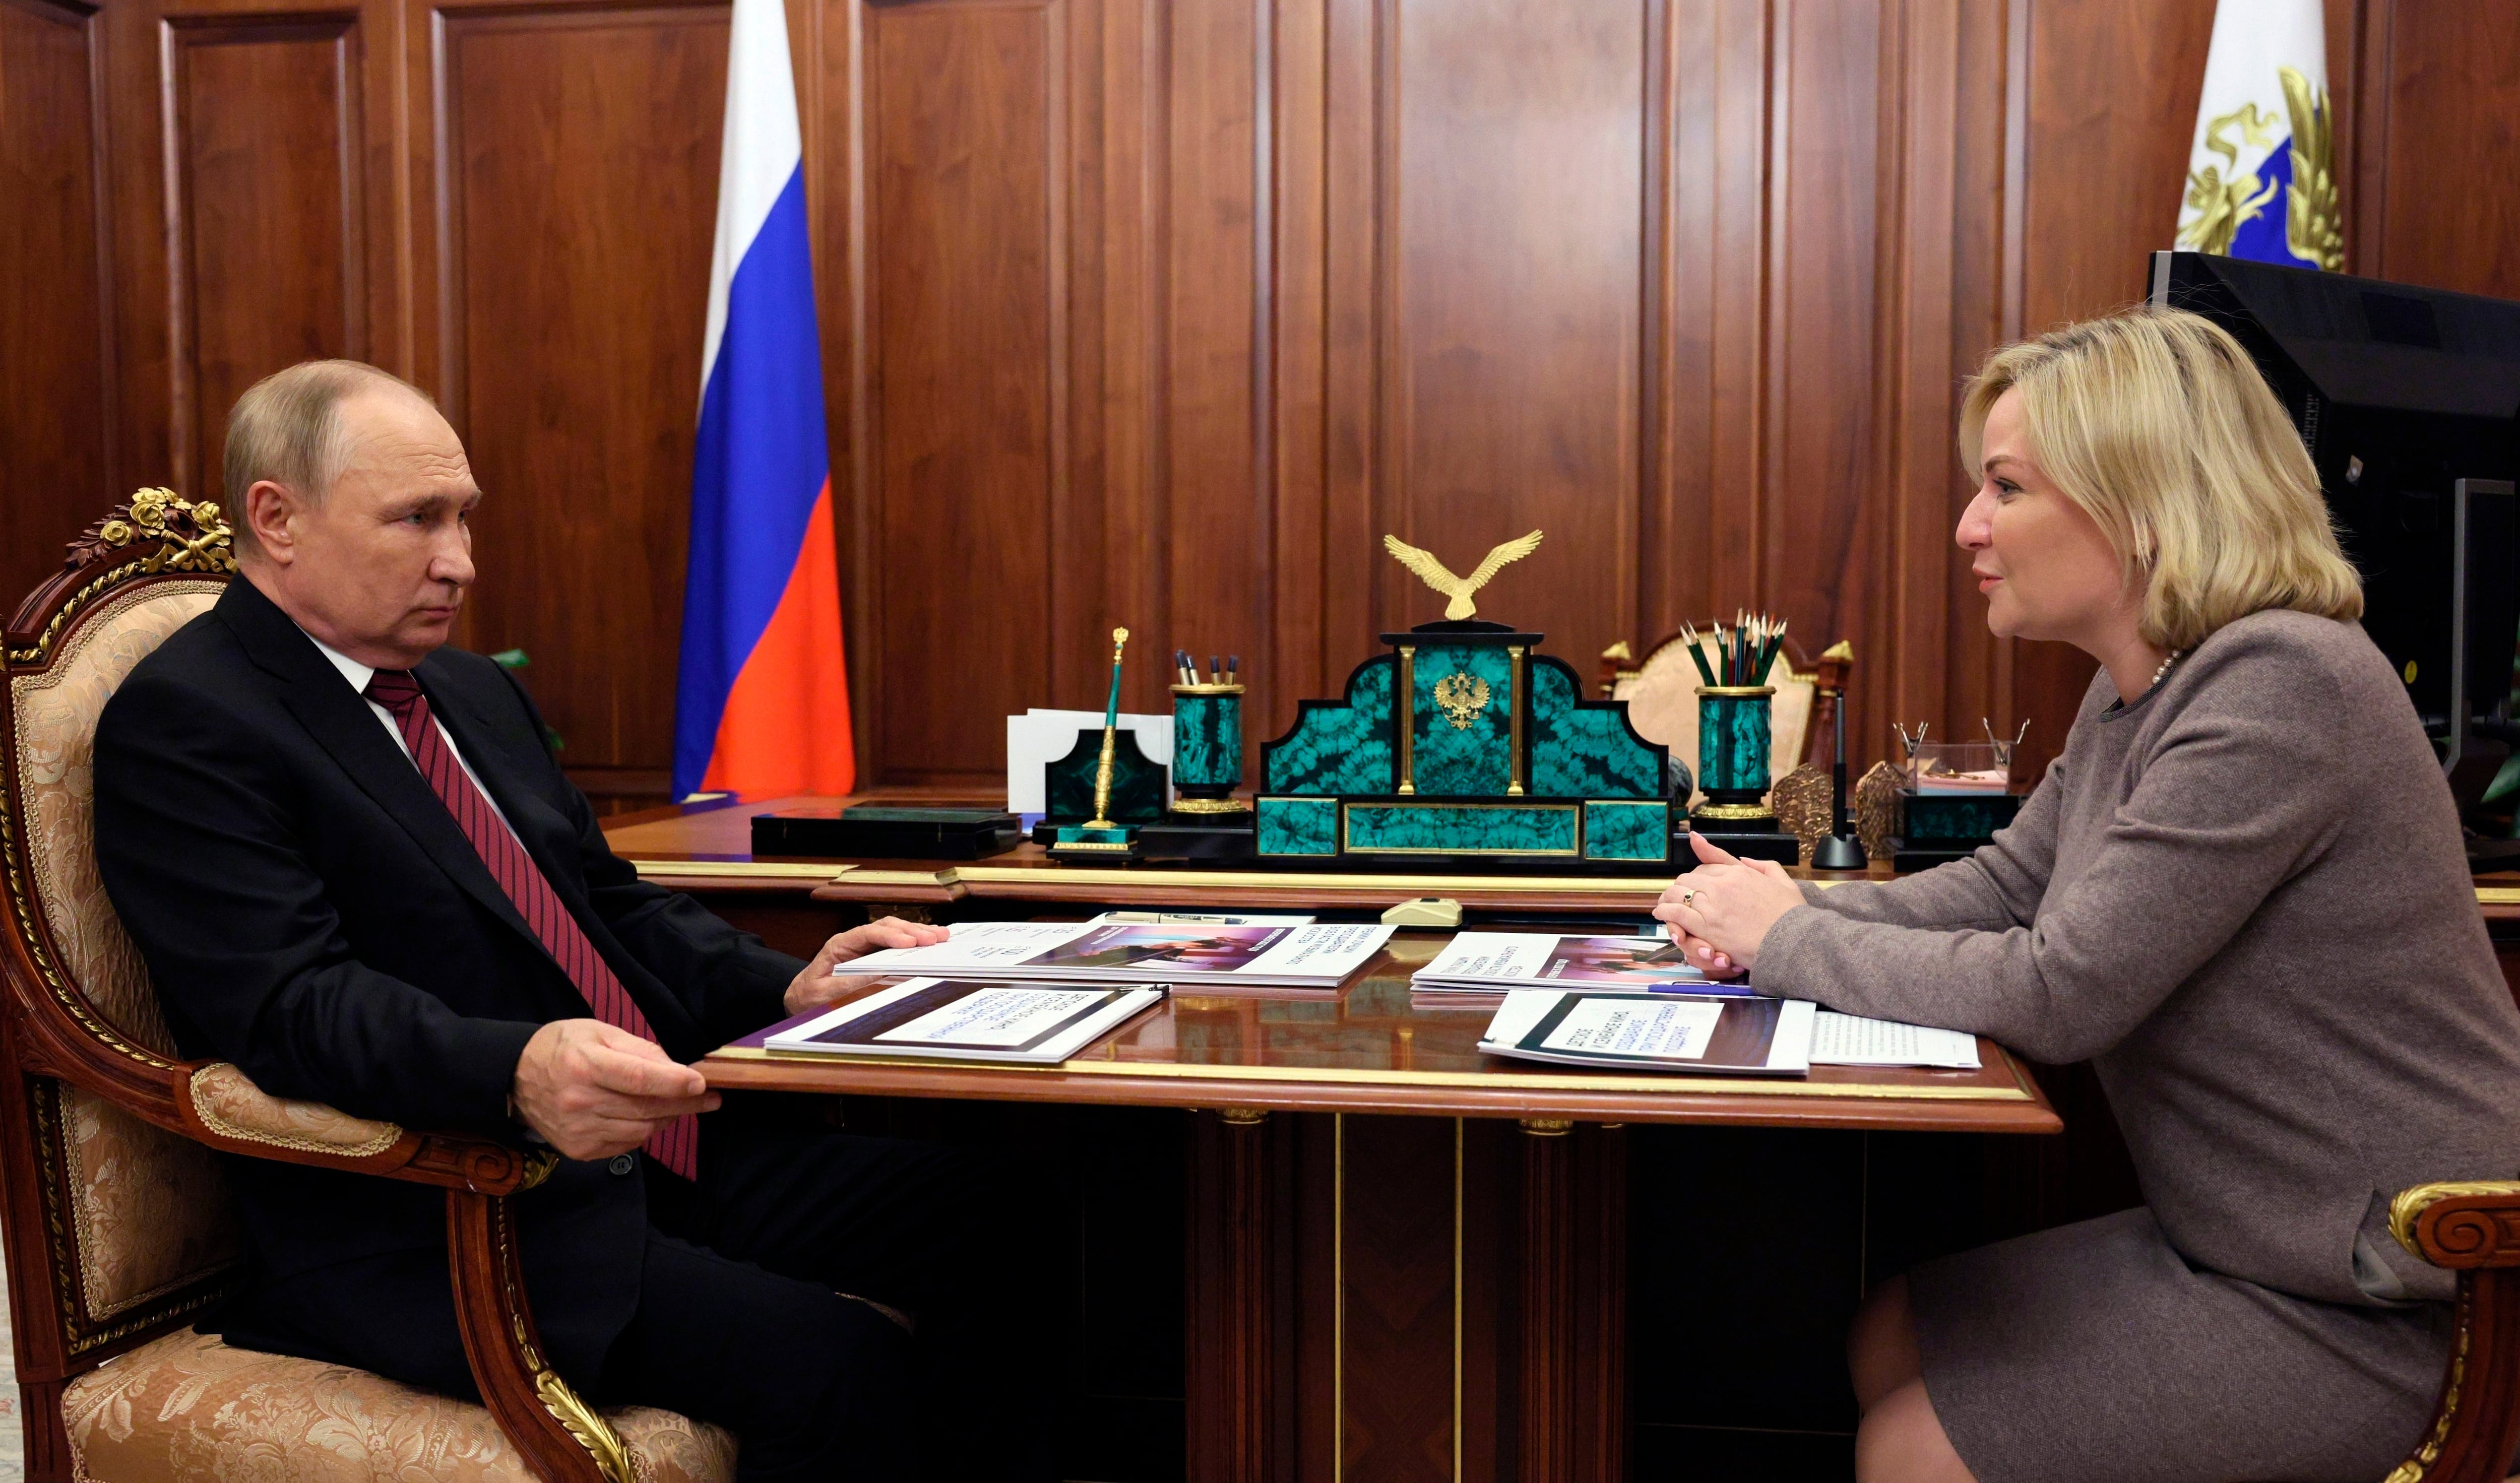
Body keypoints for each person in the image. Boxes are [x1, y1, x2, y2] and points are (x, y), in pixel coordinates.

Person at [93, 359, 1047, 1482]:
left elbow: (602, 904)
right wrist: (515, 1068)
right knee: (832, 1361)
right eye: (417, 520)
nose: (462, 561)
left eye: (464, 518)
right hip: (447, 1209)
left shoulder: (468, 692)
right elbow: (290, 1003)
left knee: (1005, 1218)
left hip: (641, 1154)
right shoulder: (190, 720)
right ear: (277, 518)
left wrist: (783, 985)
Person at [1655, 306, 2520, 1483]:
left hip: (2397, 1295)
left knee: (1910, 1448)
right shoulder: (2141, 690)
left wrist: (1792, 939)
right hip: (2251, 1246)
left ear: (2142, 503)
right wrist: (1768, 913)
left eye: (2004, 486)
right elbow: (2009, 884)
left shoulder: (2283, 682)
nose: (1968, 526)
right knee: (1885, 1334)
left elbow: (2061, 987)